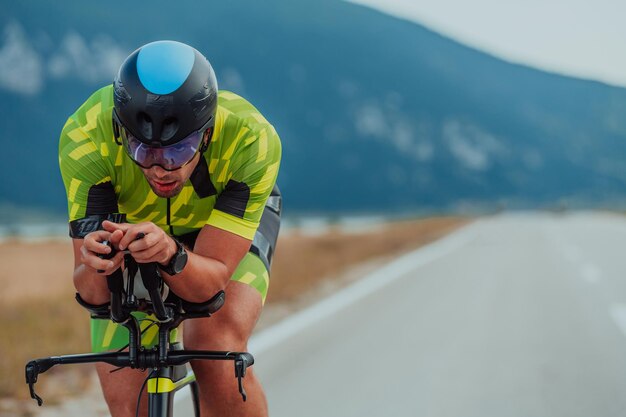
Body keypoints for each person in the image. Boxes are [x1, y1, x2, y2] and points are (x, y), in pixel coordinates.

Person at [58, 40, 281, 417]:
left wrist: (172, 254)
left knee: (214, 344)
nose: (161, 168)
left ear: (207, 135)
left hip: (217, 233)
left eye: (179, 152)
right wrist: (98, 265)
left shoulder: (251, 139)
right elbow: (91, 293)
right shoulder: (85, 136)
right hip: (136, 236)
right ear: (119, 132)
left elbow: (211, 282)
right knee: (130, 402)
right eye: (143, 151)